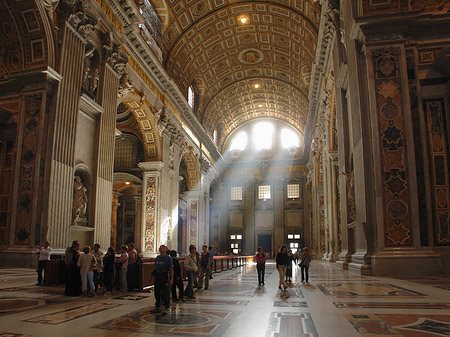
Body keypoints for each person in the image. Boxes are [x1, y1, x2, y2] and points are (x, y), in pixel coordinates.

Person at [151, 245, 173, 314]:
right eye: (160, 247)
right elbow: (155, 267)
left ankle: (167, 307)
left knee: (165, 292)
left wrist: (171, 279)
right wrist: (151, 276)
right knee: (157, 291)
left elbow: (171, 269)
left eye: (163, 247)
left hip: (165, 275)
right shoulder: (157, 258)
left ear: (166, 249)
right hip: (157, 275)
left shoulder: (168, 258)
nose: (161, 248)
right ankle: (158, 306)